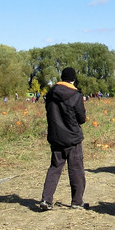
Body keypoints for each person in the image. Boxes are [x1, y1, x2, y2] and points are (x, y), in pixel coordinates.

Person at [38, 67, 87, 210]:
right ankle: (77, 202)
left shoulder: (51, 93)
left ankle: (46, 200)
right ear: (73, 79)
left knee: (54, 167)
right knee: (76, 169)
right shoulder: (76, 95)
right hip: (72, 137)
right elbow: (81, 118)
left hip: (56, 136)